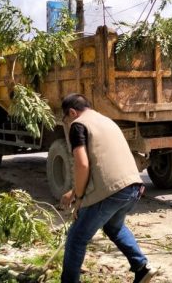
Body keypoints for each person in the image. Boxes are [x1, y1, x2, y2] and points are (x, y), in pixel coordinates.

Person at [59, 93, 158, 283]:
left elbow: (83, 165)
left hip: (112, 191)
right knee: (114, 226)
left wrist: (79, 199)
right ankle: (141, 267)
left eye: (65, 118)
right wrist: (74, 192)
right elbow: (102, 162)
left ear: (72, 112)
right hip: (133, 187)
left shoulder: (78, 125)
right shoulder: (106, 121)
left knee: (76, 238)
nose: (66, 122)